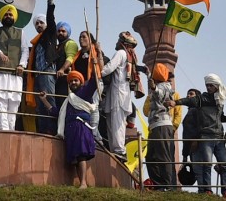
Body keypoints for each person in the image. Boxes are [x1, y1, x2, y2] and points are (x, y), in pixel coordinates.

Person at [169, 74, 226, 195]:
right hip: (206, 136)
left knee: (224, 164)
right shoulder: (202, 99)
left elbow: (219, 116)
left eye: (210, 85)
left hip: (219, 136)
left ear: (216, 86)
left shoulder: (219, 99)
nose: (208, 87)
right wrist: (176, 102)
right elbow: (189, 101)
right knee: (207, 164)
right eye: (207, 85)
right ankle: (207, 189)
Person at [37, 70, 100, 189]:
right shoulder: (68, 100)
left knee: (81, 155)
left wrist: (95, 61)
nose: (73, 82)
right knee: (75, 157)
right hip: (70, 130)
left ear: (81, 82)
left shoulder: (84, 93)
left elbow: (93, 82)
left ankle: (83, 183)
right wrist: (44, 100)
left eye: (75, 80)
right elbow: (58, 113)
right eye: (71, 81)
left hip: (81, 127)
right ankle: (81, 182)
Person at [100, 31, 143, 162]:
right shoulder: (129, 56)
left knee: (117, 123)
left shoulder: (121, 53)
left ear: (122, 43)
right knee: (112, 123)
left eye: (118, 40)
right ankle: (115, 150)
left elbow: (108, 69)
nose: (116, 42)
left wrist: (98, 68)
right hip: (118, 94)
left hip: (119, 95)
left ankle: (120, 151)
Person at [0, 4, 28, 131]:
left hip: (15, 74)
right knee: (1, 104)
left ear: (14, 17)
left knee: (14, 106)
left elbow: (25, 50)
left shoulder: (21, 33)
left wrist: (22, 65)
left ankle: (11, 131)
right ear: (2, 17)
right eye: (6, 14)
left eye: (10, 14)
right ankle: (3, 131)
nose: (8, 16)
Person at [27, 0, 59, 135]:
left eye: (41, 22)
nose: (39, 25)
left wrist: (50, 2)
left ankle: (52, 130)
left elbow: (51, 20)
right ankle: (43, 130)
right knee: (40, 104)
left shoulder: (50, 34)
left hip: (47, 72)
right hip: (38, 75)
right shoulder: (35, 41)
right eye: (37, 24)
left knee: (49, 101)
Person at [144, 63, 178, 190]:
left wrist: (154, 88)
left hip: (162, 125)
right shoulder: (157, 85)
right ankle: (158, 184)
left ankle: (167, 185)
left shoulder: (166, 86)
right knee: (151, 157)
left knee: (163, 156)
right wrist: (148, 75)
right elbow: (153, 89)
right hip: (154, 126)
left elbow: (159, 94)